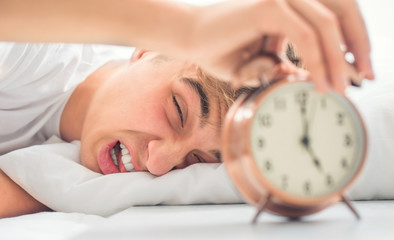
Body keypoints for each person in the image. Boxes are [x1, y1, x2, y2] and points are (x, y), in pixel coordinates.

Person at [0, 0, 373, 218]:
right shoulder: (30, 54)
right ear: (146, 49)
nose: (159, 163)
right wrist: (190, 29)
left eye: (195, 160)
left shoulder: (64, 161)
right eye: (177, 110)